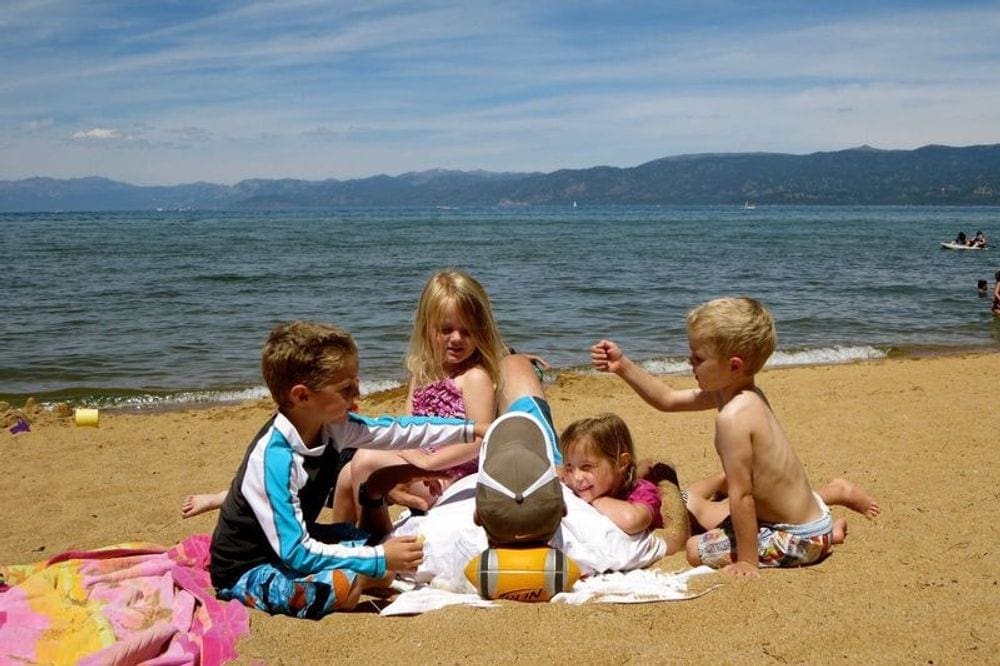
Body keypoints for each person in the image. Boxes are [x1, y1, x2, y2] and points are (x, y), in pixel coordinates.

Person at [208, 320, 487, 618]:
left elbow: (398, 430)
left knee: (365, 540)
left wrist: (472, 429)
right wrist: (380, 559)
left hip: (290, 546)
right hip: (250, 567)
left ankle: (371, 572)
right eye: (345, 388)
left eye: (356, 381)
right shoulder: (275, 458)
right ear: (302, 396)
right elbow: (297, 552)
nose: (358, 394)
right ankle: (367, 577)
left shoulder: (333, 427)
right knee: (341, 586)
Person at [591, 296, 850, 578]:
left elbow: (742, 495)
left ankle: (818, 544)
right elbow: (667, 399)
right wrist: (623, 366)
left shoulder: (733, 419)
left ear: (734, 366)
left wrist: (748, 562)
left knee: (693, 548)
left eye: (699, 358)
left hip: (795, 537)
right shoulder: (744, 394)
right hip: (810, 521)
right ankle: (828, 536)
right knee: (709, 515)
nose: (689, 361)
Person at [332, 270, 508, 524]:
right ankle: (342, 539)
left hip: (452, 474)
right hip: (421, 464)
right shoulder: (423, 373)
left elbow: (477, 442)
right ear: (427, 328)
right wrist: (410, 457)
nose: (457, 338)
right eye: (446, 330)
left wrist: (429, 463)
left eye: (467, 331)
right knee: (346, 474)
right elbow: (409, 426)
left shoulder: (474, 377)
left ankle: (375, 536)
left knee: (365, 460)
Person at [559, 413, 663, 536]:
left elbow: (632, 521)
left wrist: (596, 501)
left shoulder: (643, 492)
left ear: (621, 463)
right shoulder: (574, 481)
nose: (577, 477)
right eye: (569, 467)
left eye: (586, 467)